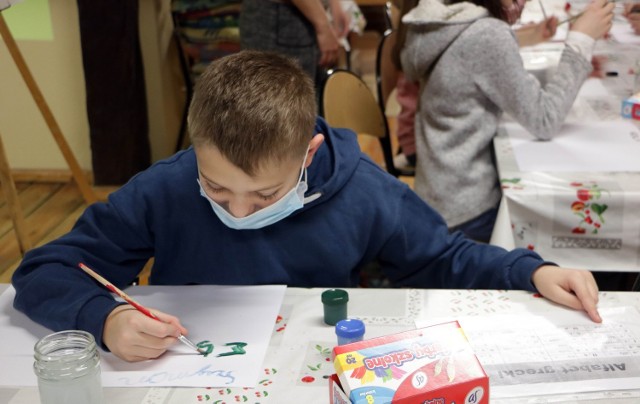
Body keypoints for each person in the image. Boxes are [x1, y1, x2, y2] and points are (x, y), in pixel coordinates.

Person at [13, 50, 601, 363]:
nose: (238, 212)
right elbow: (44, 270)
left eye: (265, 194)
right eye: (216, 188)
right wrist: (105, 318)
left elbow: (441, 257)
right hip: (185, 369)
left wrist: (532, 270)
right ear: (195, 151)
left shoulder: (362, 190)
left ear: (309, 152)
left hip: (312, 365)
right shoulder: (165, 188)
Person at [400, 0, 614, 242]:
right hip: (468, 213)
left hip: (437, 195)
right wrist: (581, 40)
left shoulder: (441, 20)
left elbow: (478, 55)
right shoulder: (487, 34)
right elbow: (545, 120)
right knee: (570, 226)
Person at [391, 0, 558, 171]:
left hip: (429, 149)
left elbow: (474, 43)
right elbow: (544, 120)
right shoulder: (467, 31)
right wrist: (581, 39)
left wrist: (529, 35)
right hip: (428, 152)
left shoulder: (431, 23)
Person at [239, 0, 350, 90]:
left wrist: (334, 3)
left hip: (304, 13)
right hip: (280, 15)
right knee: (276, 105)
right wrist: (323, 26)